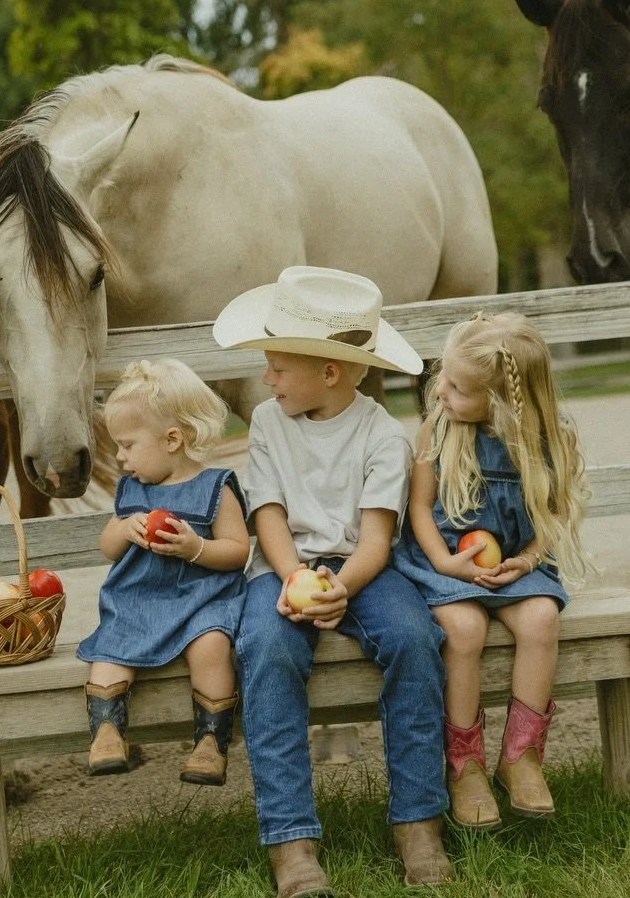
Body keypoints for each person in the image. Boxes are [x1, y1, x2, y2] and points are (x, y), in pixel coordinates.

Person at [213, 266, 452, 897]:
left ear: (331, 370)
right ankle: (292, 841)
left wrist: (339, 587)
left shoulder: (381, 434)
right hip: (283, 567)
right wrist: (295, 578)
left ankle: (418, 824)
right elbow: (266, 512)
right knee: (265, 649)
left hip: (366, 573)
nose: (266, 379)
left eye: (278, 366)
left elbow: (376, 541)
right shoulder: (267, 421)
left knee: (413, 639)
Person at [395, 312, 593, 827]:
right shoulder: (437, 428)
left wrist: (527, 559)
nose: (441, 394)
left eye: (457, 388)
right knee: (463, 628)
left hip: (516, 559)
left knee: (541, 620)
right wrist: (444, 563)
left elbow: (551, 515)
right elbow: (419, 510)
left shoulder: (553, 438)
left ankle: (521, 757)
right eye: (443, 379)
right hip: (445, 560)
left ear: (502, 402)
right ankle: (466, 766)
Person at [77, 358, 250, 786]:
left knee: (212, 647)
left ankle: (211, 741)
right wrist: (124, 528)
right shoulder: (132, 491)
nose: (119, 457)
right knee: (108, 651)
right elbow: (106, 548)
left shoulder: (215, 486)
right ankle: (107, 732)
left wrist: (196, 548)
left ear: (171, 439)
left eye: (128, 445)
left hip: (202, 601)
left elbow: (237, 550)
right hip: (139, 601)